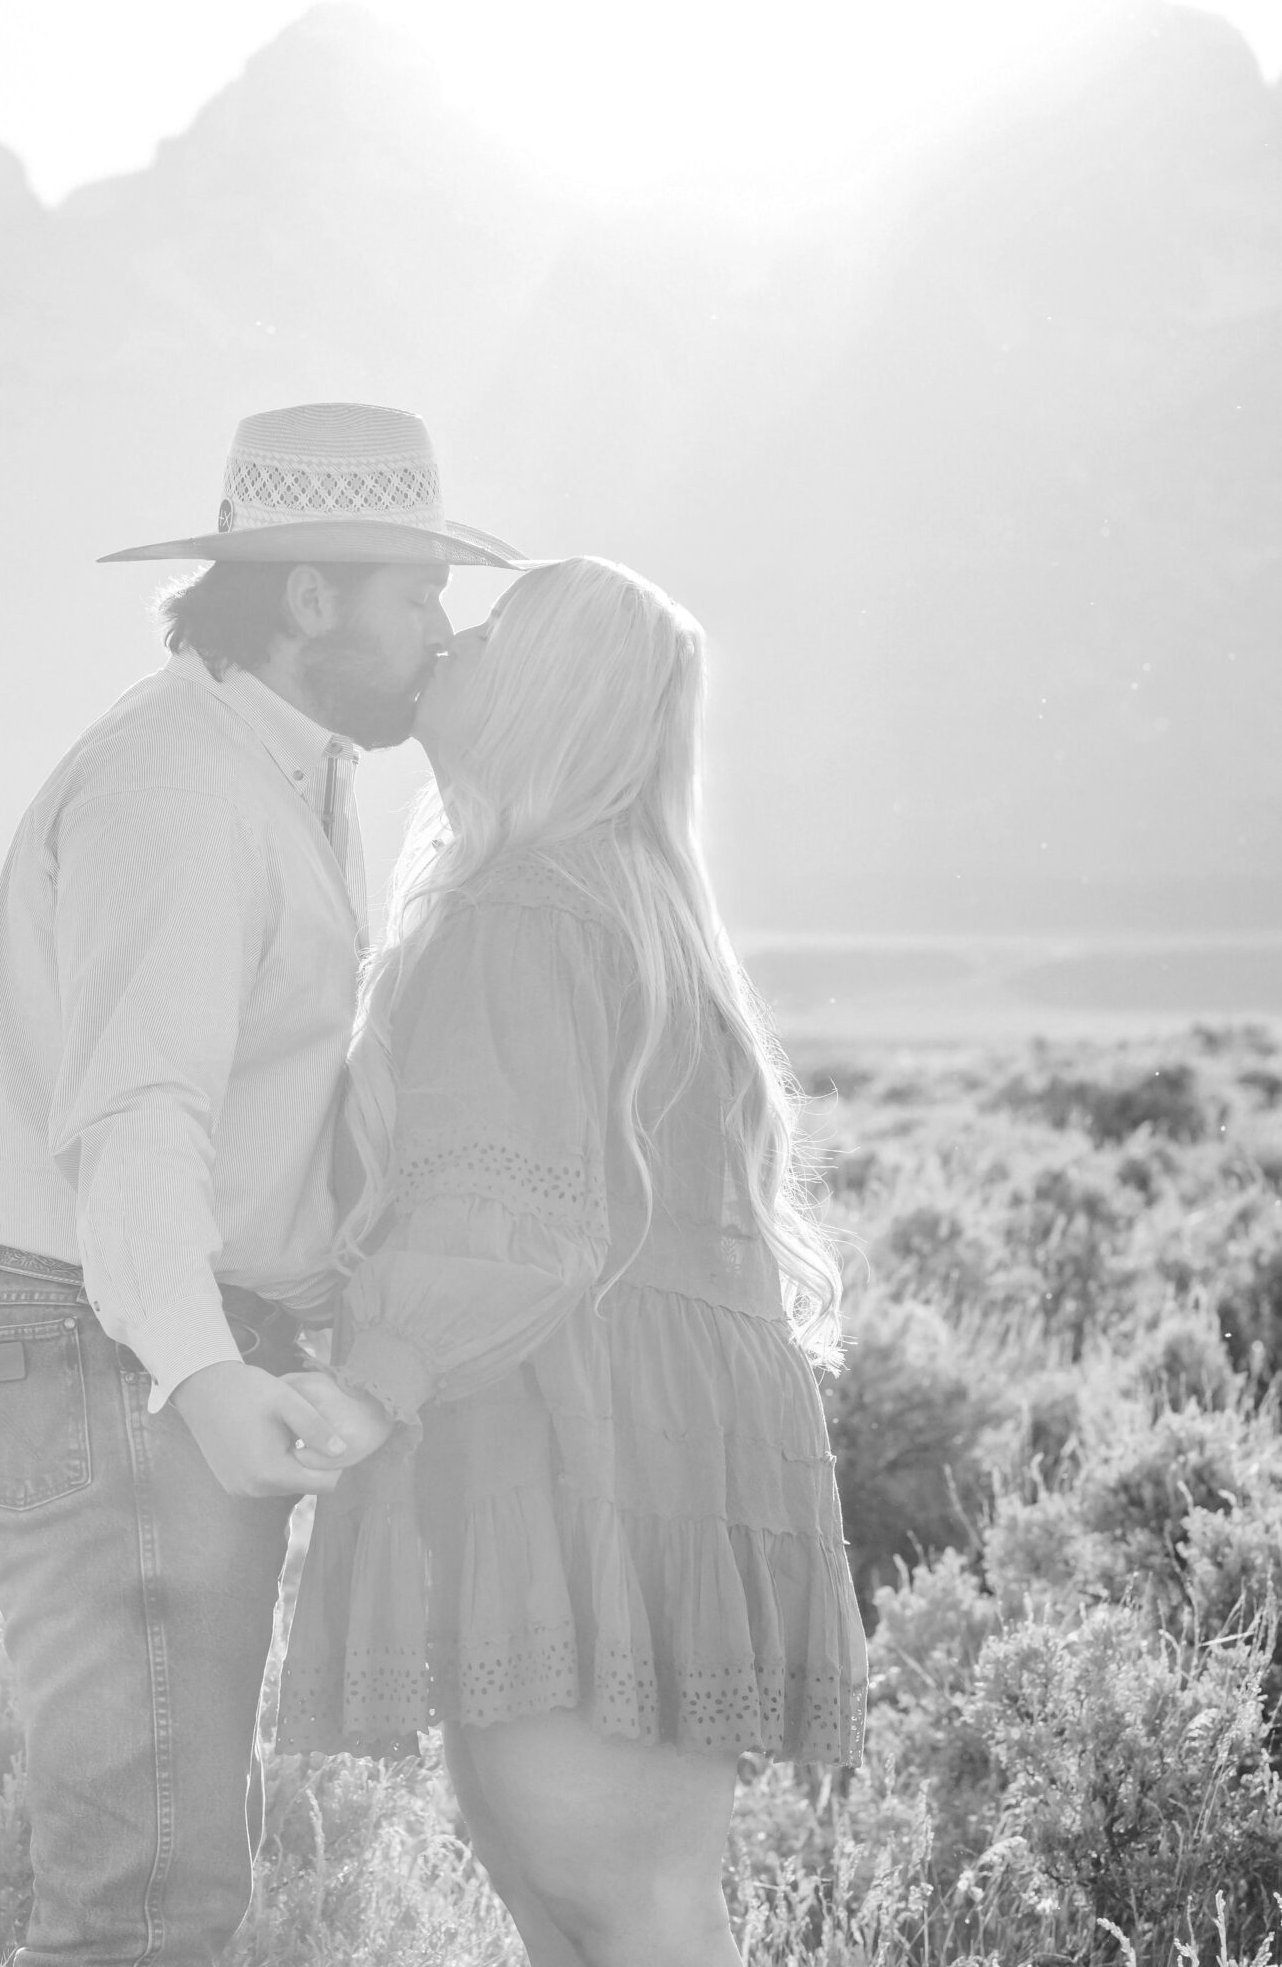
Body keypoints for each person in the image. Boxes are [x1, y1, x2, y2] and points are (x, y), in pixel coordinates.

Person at [0, 402, 520, 1966]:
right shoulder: (181, 785)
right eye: (414, 593)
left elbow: (241, 1120)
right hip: (102, 1357)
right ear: (309, 598)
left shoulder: (276, 770)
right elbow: (139, 1121)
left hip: (122, 1352)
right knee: (146, 1904)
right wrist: (200, 1370)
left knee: (170, 1880)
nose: (439, 633)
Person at [277, 555, 867, 1967]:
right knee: (590, 1907)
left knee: (615, 1906)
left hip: (585, 1435)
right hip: (623, 1423)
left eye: (486, 633)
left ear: (541, 694)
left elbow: (513, 1213)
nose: (447, 648)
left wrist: (375, 1379)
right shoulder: (603, 897)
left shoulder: (526, 910)